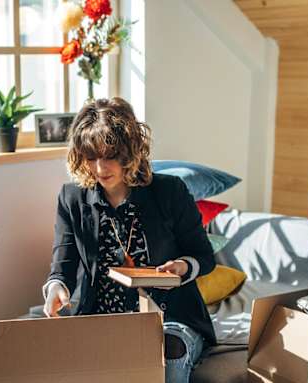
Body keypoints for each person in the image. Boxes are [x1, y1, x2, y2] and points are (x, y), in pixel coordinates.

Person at [41, 97, 216, 382]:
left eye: (109, 156)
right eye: (90, 157)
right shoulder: (71, 198)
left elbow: (204, 257)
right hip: (102, 319)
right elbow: (63, 264)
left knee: (167, 362)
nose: (100, 168)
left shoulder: (169, 191)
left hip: (170, 320)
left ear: (130, 152)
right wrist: (56, 289)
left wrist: (183, 267)